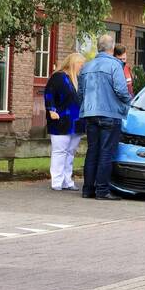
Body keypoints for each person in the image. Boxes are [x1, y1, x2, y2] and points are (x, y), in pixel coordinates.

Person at [78, 34, 133, 200]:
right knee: (106, 152)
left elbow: (80, 93)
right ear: (112, 47)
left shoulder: (86, 66)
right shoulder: (115, 65)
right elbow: (121, 90)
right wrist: (129, 102)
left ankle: (88, 189)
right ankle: (102, 190)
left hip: (90, 113)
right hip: (110, 113)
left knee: (92, 151)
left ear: (98, 47)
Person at [44, 52, 86, 191]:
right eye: (81, 64)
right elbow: (49, 94)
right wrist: (51, 110)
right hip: (61, 120)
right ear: (73, 63)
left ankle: (67, 180)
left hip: (76, 121)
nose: (82, 67)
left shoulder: (78, 79)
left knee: (70, 152)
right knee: (60, 151)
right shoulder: (58, 77)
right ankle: (57, 181)